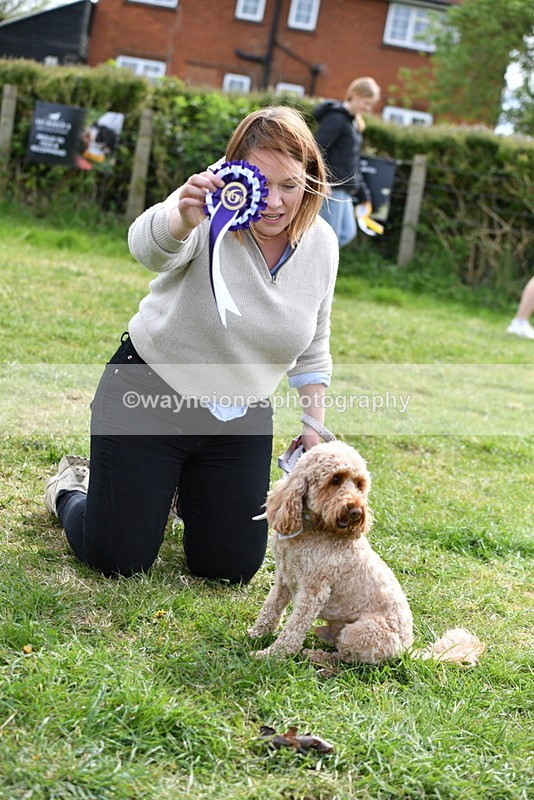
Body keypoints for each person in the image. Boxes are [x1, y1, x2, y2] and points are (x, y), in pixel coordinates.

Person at [44, 106, 339, 585]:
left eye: (289, 185)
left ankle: (179, 492)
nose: (274, 201)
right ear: (237, 171)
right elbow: (147, 249)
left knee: (230, 568)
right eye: (263, 183)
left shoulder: (322, 244)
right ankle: (72, 489)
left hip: (238, 419)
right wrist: (180, 215)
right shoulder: (206, 210)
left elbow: (314, 343)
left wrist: (313, 426)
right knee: (118, 558)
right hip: (147, 396)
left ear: (309, 180)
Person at [313, 76, 381, 247]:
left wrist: (364, 196)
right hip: (332, 189)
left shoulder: (353, 125)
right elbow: (316, 149)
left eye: (370, 105)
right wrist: (322, 179)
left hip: (346, 191)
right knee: (328, 240)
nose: (368, 108)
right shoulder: (336, 119)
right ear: (355, 94)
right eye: (366, 103)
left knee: (347, 234)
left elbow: (353, 163)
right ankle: (313, 271)